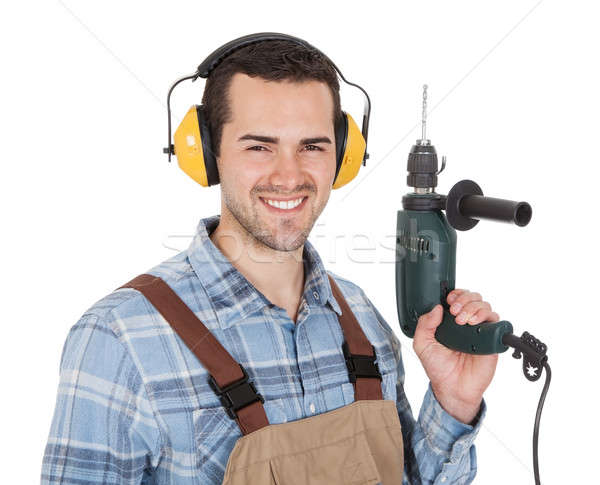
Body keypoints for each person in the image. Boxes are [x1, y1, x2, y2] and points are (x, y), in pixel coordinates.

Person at [41, 36, 501, 484]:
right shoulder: (118, 339)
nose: (289, 175)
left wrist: (452, 402)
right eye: (258, 146)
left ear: (342, 156)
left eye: (313, 146)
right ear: (206, 153)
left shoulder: (363, 320)